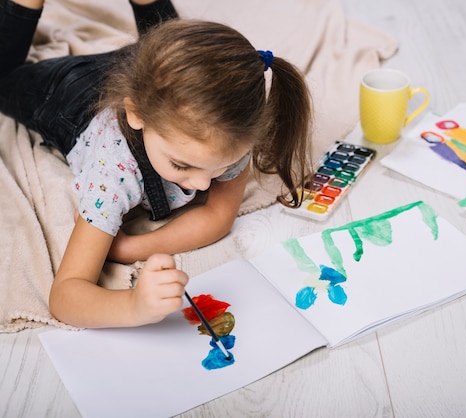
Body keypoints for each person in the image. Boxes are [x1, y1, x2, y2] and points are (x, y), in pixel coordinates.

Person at [0, 0, 312, 328]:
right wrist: (133, 305)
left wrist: (128, 247)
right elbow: (65, 298)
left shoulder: (231, 136)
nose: (204, 185)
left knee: (162, 48)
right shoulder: (114, 173)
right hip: (67, 95)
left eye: (221, 168)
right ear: (136, 115)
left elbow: (219, 216)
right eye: (181, 166)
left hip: (136, 67)